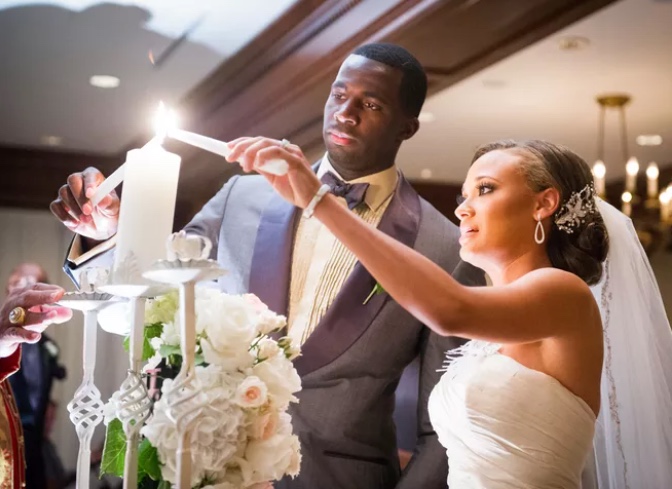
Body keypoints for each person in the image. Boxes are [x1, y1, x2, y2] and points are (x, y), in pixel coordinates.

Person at [49, 43, 485, 489]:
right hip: (208, 470)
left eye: (370, 104)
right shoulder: (241, 197)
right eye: (339, 94)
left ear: (407, 127)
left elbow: (445, 429)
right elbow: (148, 304)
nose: (346, 113)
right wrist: (105, 232)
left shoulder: (444, 248)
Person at [227, 137, 672, 488]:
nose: (462, 209)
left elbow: (447, 309)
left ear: (544, 203)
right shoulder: (491, 332)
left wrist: (319, 201)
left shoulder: (564, 294)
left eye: (485, 190)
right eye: (463, 194)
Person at [0, 282, 71, 488]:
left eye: (32, 280)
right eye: (16, 282)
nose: (24, 286)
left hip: (33, 442)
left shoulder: (49, 347)